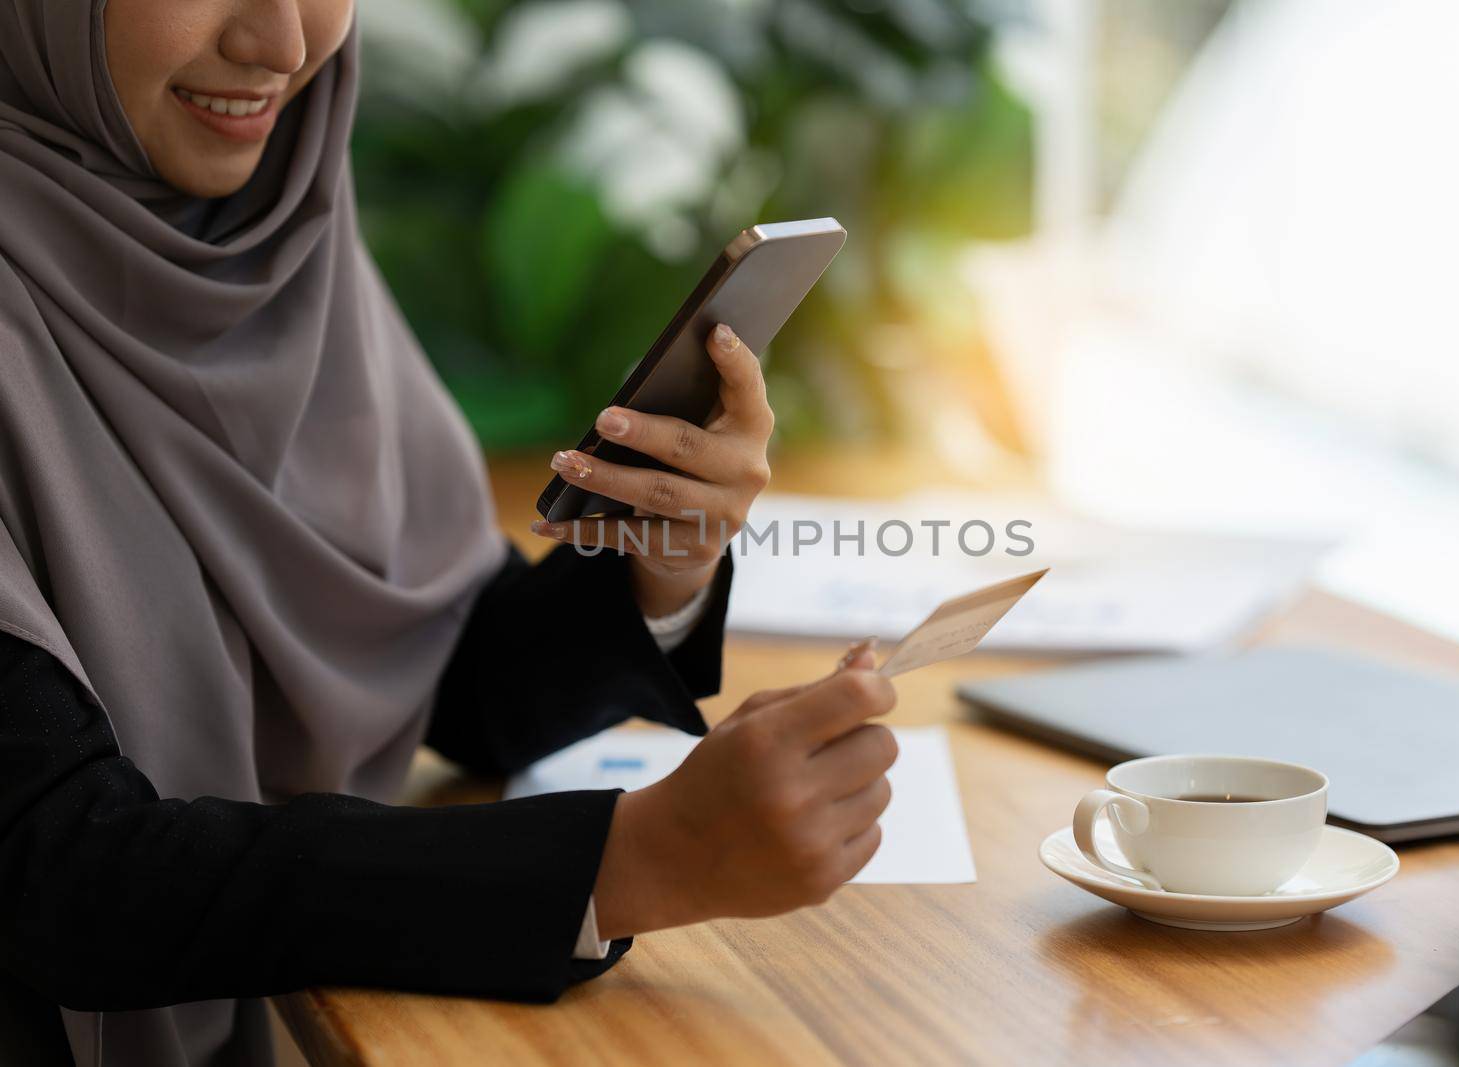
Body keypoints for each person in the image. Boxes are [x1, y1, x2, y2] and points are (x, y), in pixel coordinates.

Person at [0, 2, 898, 1064]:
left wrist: (659, 555)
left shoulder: (262, 238)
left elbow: (419, 669)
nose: (282, 45)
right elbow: (61, 872)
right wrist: (628, 862)